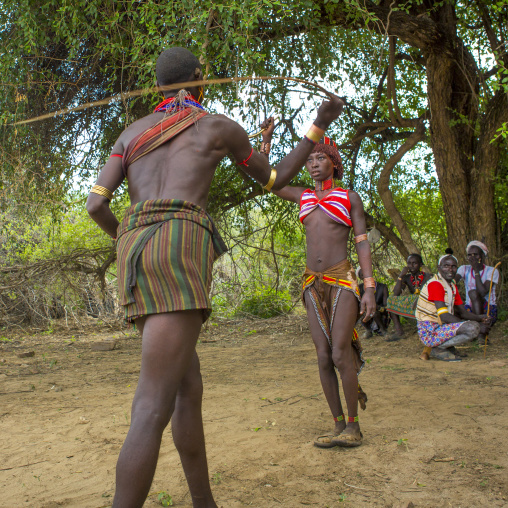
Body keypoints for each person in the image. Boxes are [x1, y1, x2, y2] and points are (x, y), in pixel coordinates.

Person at [86, 47, 344, 508]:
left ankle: (205, 503)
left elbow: (96, 205)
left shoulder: (131, 133)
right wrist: (320, 120)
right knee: (151, 405)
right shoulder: (217, 127)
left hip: (134, 249)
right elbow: (278, 176)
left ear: (159, 84)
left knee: (188, 385)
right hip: (178, 243)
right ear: (199, 80)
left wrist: (131, 241)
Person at [258, 128, 376, 448]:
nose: (313, 164)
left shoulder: (349, 197)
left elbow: (362, 245)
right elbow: (268, 180)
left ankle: (354, 426)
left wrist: (369, 288)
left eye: (320, 157)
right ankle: (338, 424)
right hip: (312, 282)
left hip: (341, 280)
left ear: (334, 164)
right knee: (323, 356)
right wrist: (265, 144)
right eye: (309, 159)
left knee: (339, 352)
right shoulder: (303, 196)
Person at [415, 250, 491, 361]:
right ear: (439, 268)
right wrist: (470, 324)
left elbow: (463, 312)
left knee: (471, 325)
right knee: (472, 328)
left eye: (453, 266)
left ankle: (447, 346)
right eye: (446, 266)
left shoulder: (451, 286)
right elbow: (444, 316)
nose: (450, 269)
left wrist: (481, 318)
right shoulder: (436, 284)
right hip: (430, 331)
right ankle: (439, 348)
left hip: (439, 327)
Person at [456, 241, 499, 342]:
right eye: (469, 255)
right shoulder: (464, 269)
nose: (472, 257)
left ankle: (480, 330)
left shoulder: (492, 271)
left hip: (488, 309)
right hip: (470, 309)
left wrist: (476, 271)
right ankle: (479, 329)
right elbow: (453, 281)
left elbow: (483, 292)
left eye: (475, 254)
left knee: (473, 293)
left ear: (482, 256)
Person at [386, 254, 431, 339]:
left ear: (421, 264)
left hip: (425, 304)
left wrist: (418, 298)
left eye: (414, 263)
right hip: (413, 305)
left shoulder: (428, 276)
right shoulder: (406, 278)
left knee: (416, 298)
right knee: (390, 300)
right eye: (409, 263)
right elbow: (396, 293)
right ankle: (399, 332)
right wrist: (400, 276)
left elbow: (428, 294)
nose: (411, 266)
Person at [356, 267, 389, 338]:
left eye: (366, 273)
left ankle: (384, 331)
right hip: (367, 315)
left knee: (374, 312)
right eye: (362, 275)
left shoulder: (382, 287)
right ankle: (368, 330)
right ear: (360, 277)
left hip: (381, 315)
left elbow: (386, 307)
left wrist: (377, 307)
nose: (365, 276)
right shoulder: (359, 288)